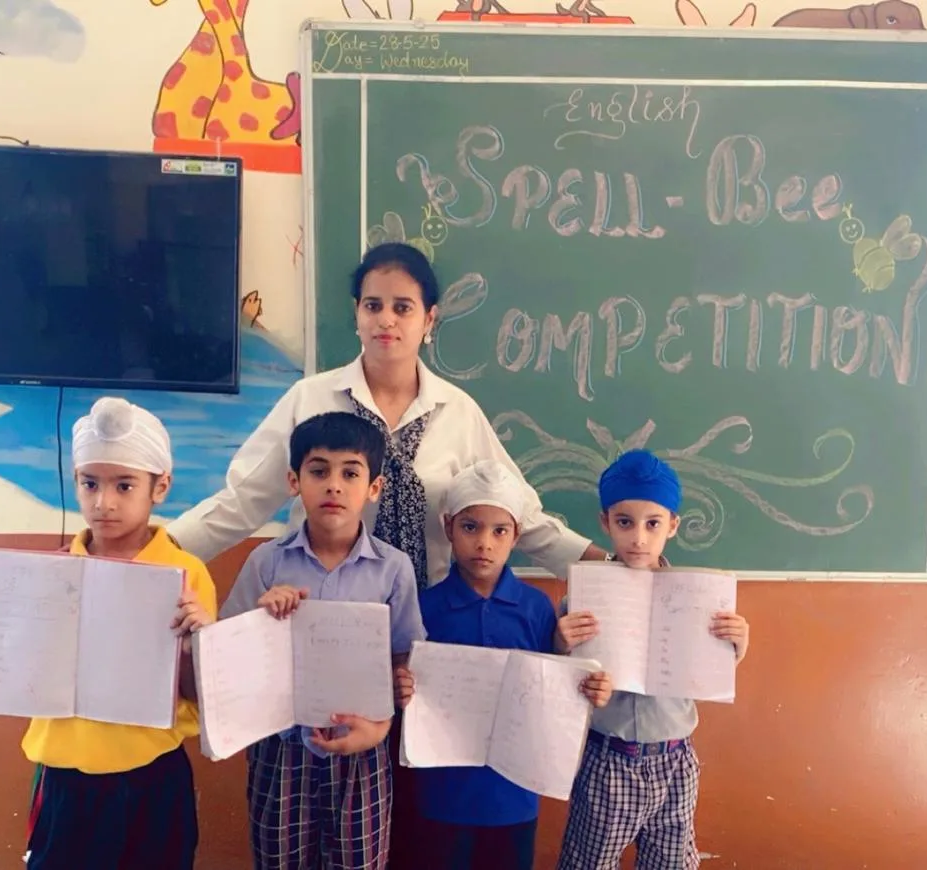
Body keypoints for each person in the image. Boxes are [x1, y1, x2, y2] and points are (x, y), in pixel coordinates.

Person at [165, 241, 606, 867]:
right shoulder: (312, 400)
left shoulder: (459, 413)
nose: (387, 320)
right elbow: (243, 501)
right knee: (331, 794)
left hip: (427, 639)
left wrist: (602, 564)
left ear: (430, 319)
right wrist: (156, 550)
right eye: (373, 305)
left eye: (404, 307)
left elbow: (519, 515)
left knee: (408, 819)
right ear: (356, 314)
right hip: (327, 633)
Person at [0, 397, 217, 870]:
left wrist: (195, 648)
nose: (103, 502)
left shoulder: (185, 575)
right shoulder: (47, 575)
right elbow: (24, 675)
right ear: (76, 482)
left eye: (124, 485)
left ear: (160, 487)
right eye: (90, 483)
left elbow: (200, 696)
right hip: (67, 780)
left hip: (153, 777)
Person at [218, 411, 425, 870]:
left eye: (350, 473)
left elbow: (404, 657)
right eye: (318, 471)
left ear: (374, 488)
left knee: (359, 861)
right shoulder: (267, 563)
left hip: (362, 747)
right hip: (280, 746)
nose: (334, 485)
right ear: (294, 481)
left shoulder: (393, 568)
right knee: (278, 859)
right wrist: (260, 619)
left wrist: (389, 713)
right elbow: (225, 656)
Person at [392, 460, 614, 870]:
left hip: (516, 789)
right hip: (443, 790)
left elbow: (552, 691)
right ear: (448, 527)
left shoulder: (537, 608)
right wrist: (401, 687)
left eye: (499, 531)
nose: (484, 543)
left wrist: (586, 685)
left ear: (516, 535)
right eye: (470, 527)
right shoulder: (425, 607)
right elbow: (405, 681)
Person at [554, 450, 751, 870]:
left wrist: (737, 643)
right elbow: (562, 683)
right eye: (625, 522)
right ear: (606, 522)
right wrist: (561, 644)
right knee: (589, 862)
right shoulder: (584, 597)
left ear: (673, 525)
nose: (639, 538)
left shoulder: (697, 597)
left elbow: (706, 670)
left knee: (670, 862)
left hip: (675, 757)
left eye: (653, 523)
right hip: (609, 758)